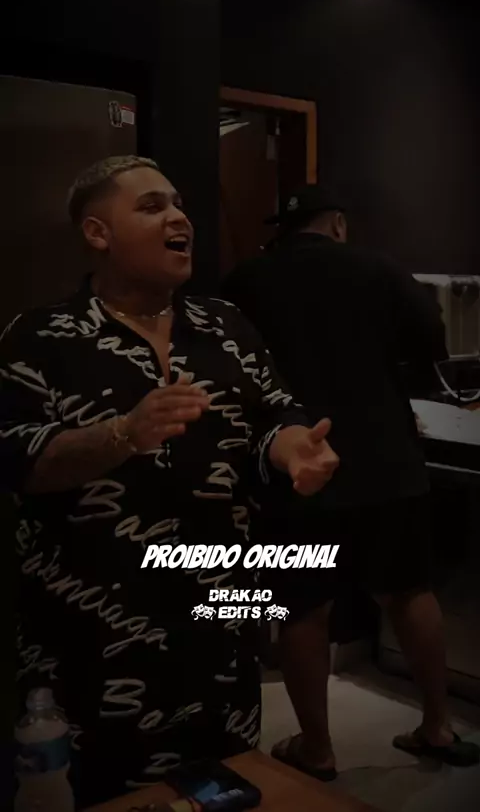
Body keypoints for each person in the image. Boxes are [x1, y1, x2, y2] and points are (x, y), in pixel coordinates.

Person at [1, 159, 339, 806]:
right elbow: (14, 457)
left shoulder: (226, 326)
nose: (179, 217)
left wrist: (294, 449)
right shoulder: (39, 338)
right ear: (98, 233)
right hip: (92, 648)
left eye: (179, 204)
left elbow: (275, 416)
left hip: (221, 626)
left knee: (224, 787)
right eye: (152, 206)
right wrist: (123, 433)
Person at [222, 185, 480, 780]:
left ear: (284, 229)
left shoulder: (245, 280)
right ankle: (437, 727)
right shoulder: (381, 269)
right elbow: (431, 343)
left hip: (296, 462)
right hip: (388, 460)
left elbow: (229, 365)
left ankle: (317, 749)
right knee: (410, 591)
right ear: (337, 223)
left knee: (303, 609)